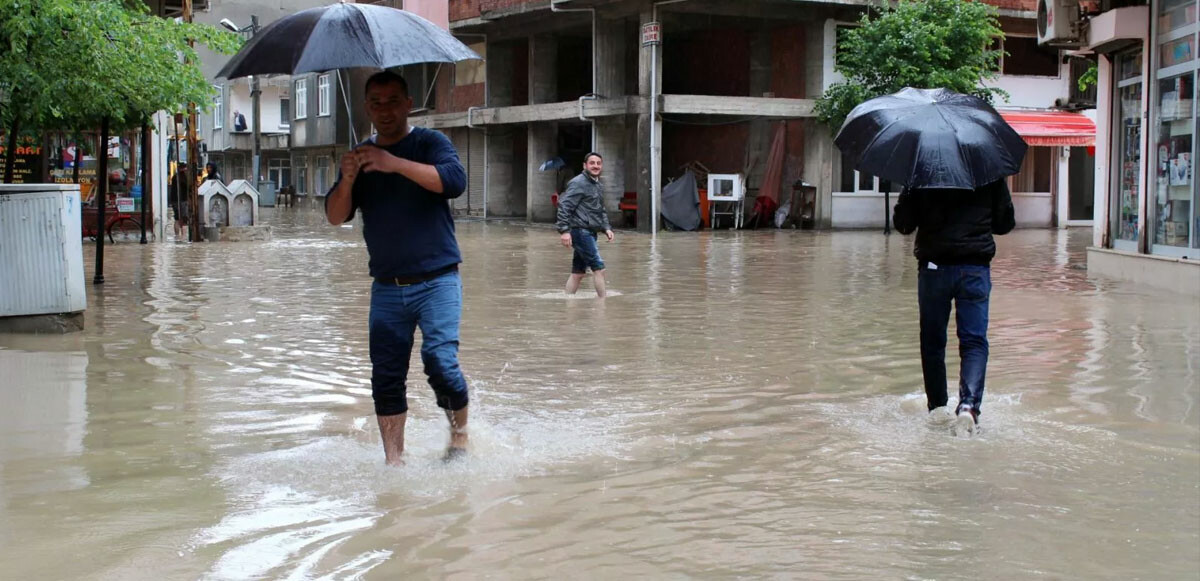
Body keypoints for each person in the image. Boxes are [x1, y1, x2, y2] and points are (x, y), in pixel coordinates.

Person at [325, 71, 469, 466]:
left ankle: (459, 438)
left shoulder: (430, 143)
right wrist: (349, 179)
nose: (384, 110)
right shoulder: (360, 157)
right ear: (366, 107)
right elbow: (336, 216)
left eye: (392, 101)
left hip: (438, 279)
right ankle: (394, 461)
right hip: (387, 287)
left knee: (440, 360)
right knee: (386, 375)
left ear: (409, 103)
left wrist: (394, 163)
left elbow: (455, 182)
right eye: (376, 102)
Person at [893, 179, 1015, 436]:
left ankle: (937, 409)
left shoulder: (922, 173)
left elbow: (903, 224)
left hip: (934, 269)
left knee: (932, 342)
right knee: (974, 342)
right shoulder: (989, 172)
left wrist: (909, 190)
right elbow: (1005, 224)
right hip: (974, 269)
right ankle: (969, 407)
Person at [556, 152, 615, 298]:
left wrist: (606, 228)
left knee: (578, 273)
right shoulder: (578, 183)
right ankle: (603, 305)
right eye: (592, 163)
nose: (595, 166)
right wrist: (564, 231)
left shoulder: (597, 184)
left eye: (598, 163)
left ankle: (568, 302)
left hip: (590, 231)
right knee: (599, 269)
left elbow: (600, 209)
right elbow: (564, 206)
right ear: (585, 165)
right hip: (580, 231)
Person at [168, 162, 193, 241]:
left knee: (177, 218)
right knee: (184, 218)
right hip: (182, 200)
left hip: (174, 200)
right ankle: (184, 236)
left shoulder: (175, 177)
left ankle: (177, 236)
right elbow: (188, 187)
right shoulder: (183, 177)